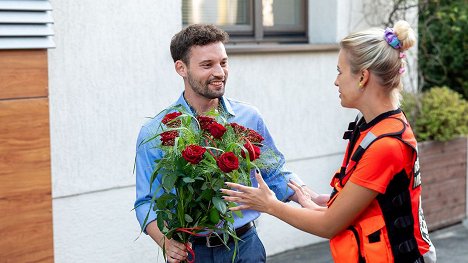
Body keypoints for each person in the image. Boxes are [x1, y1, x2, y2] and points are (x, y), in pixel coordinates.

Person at [222, 20, 437, 263]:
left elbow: (328, 226)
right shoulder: (373, 126)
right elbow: (362, 207)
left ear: (363, 77)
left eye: (340, 71)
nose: (336, 81)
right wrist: (315, 202)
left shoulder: (385, 145)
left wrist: (269, 205)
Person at [134, 24, 328, 263]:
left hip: (245, 246)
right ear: (181, 68)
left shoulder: (249, 118)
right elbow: (146, 201)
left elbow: (273, 172)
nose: (219, 72)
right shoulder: (157, 130)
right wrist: (164, 241)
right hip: (192, 252)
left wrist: (309, 197)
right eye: (207, 65)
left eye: (223, 63)